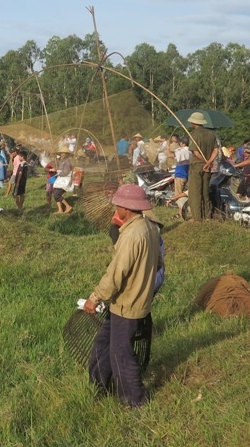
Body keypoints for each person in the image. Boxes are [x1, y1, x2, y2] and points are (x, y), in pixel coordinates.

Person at [84, 184, 161, 409]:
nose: (116, 207)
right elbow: (158, 264)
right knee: (104, 343)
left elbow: (116, 273)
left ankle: (135, 399)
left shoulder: (132, 235)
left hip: (127, 303)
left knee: (121, 353)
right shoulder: (149, 228)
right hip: (130, 301)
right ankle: (98, 383)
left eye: (118, 204)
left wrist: (95, 297)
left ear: (127, 208)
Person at [186, 112, 218, 221]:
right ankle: (207, 216)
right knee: (205, 192)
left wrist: (205, 161)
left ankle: (197, 218)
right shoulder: (211, 134)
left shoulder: (194, 135)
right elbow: (216, 150)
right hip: (207, 168)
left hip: (197, 166)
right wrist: (209, 162)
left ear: (194, 123)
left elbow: (195, 152)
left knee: (195, 193)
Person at [52, 147, 75, 215]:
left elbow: (66, 172)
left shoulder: (67, 161)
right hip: (60, 179)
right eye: (61, 153)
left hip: (64, 179)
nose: (62, 154)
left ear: (67, 154)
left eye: (63, 153)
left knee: (57, 194)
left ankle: (68, 206)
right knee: (55, 192)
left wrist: (58, 174)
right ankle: (60, 210)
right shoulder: (63, 161)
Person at [8, 146, 29, 211]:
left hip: (19, 182)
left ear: (22, 157)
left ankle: (19, 207)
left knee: (14, 194)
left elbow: (20, 173)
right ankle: (21, 206)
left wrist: (17, 182)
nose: (18, 157)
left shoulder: (22, 164)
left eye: (19, 156)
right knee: (22, 194)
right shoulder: (26, 164)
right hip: (24, 182)